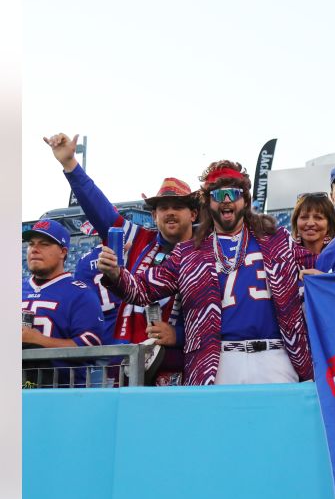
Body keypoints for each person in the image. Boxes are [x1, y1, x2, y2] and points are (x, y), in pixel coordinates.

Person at [99, 160, 312, 386]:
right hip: (216, 362)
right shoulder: (189, 252)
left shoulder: (278, 241)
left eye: (234, 193)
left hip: (276, 356)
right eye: (219, 195)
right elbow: (142, 290)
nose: (227, 200)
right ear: (208, 204)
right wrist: (115, 273)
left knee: (278, 421)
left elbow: (324, 267)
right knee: (219, 422)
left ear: (245, 200)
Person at [44, 132, 196, 384]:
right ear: (154, 215)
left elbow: (222, 317)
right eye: (162, 207)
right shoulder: (138, 239)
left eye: (177, 206)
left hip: (184, 372)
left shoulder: (207, 252)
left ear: (193, 213)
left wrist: (178, 335)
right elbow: (98, 207)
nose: (169, 213)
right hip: (127, 368)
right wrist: (70, 165)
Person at [21, 219, 108, 386]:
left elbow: (90, 346)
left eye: (44, 244)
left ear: (63, 252)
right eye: (31, 244)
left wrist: (39, 340)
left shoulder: (81, 294)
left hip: (64, 392)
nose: (34, 250)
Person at [291, 192, 335, 263]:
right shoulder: (284, 258)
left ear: (329, 224)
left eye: (318, 218)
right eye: (304, 217)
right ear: (295, 222)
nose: (310, 223)